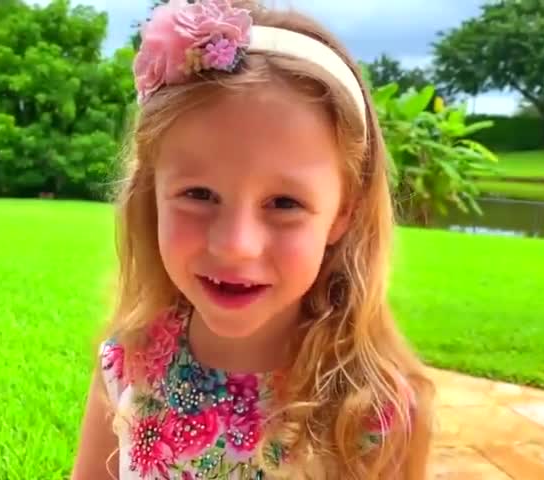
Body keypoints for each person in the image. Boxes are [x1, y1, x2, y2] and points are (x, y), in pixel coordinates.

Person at [72, 1, 435, 478]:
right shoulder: (128, 364)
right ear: (152, 194)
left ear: (343, 212)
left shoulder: (372, 414)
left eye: (284, 203)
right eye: (198, 194)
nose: (235, 245)